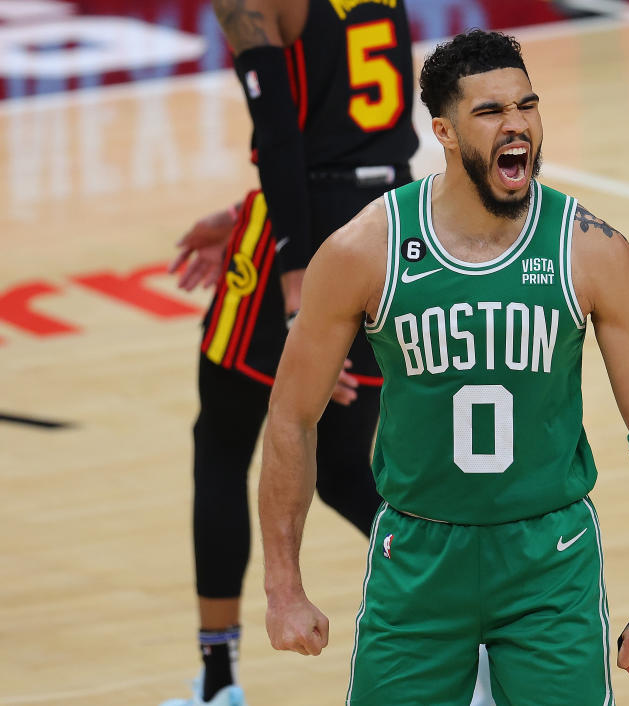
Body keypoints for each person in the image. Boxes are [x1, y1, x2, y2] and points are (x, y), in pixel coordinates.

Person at [258, 29, 629, 705]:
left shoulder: (592, 251)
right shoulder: (365, 251)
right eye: (490, 112)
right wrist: (283, 588)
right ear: (445, 131)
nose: (516, 124)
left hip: (549, 562)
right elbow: (291, 419)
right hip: (418, 562)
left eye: (527, 105)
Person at [161, 1, 418, 705]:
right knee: (341, 468)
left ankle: (218, 685)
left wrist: (296, 283)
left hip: (306, 238)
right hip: (390, 225)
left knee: (220, 443)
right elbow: (349, 126)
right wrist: (249, 211)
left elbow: (281, 135)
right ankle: (475, 638)